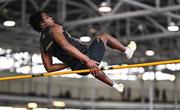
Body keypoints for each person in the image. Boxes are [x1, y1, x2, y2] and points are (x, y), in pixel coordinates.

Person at [29, 10, 137, 93]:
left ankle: (114, 85)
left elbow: (49, 68)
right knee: (104, 37)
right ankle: (127, 50)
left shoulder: (42, 45)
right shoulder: (53, 28)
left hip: (78, 69)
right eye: (47, 17)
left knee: (92, 68)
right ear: (43, 24)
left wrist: (67, 64)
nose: (51, 18)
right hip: (87, 57)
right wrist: (87, 59)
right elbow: (65, 46)